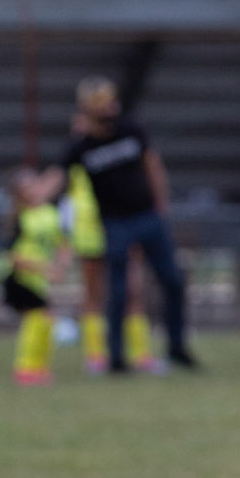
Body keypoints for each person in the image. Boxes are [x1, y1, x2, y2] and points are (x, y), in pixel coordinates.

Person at [41, 77, 197, 374]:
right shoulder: (81, 146)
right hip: (115, 224)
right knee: (119, 290)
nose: (112, 106)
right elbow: (56, 176)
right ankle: (116, 357)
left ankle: (177, 348)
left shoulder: (130, 130)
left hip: (148, 216)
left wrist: (160, 203)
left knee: (172, 280)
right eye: (104, 102)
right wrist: (33, 193)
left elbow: (152, 165)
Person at [61, 156, 157, 375]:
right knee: (94, 294)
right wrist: (67, 239)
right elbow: (70, 199)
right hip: (90, 234)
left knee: (133, 291)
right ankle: (95, 356)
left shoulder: (121, 156)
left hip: (122, 228)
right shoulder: (77, 161)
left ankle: (140, 354)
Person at [0, 168, 69, 384]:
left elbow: (63, 243)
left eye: (34, 185)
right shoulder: (20, 218)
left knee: (45, 320)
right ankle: (26, 367)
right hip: (17, 278)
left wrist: (61, 265)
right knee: (38, 318)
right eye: (26, 189)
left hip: (36, 280)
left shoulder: (50, 214)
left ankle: (38, 367)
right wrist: (47, 269)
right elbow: (14, 258)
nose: (33, 191)